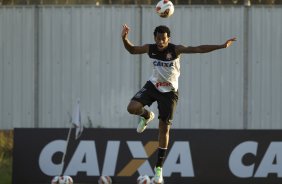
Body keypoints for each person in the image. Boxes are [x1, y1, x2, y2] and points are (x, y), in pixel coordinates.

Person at [121, 24, 236, 184]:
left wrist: (221, 46)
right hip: (153, 86)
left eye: (163, 39)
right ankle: (147, 115)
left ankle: (159, 168)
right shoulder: (150, 48)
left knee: (164, 129)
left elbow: (198, 49)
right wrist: (124, 39)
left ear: (168, 39)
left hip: (169, 93)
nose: (161, 42)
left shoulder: (175, 50)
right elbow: (132, 50)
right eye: (158, 39)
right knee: (132, 108)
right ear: (155, 38)